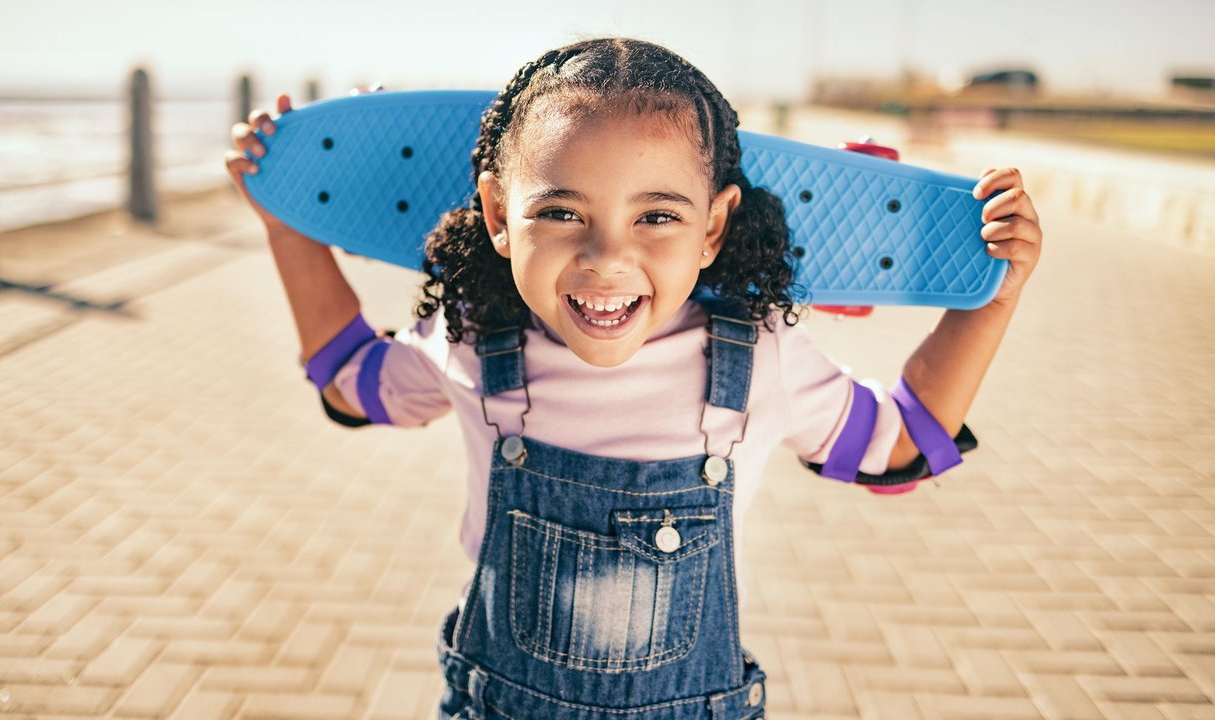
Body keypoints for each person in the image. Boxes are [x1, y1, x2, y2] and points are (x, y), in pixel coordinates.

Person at [225, 37, 1042, 720]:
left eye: (657, 216)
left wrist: (992, 305)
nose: (607, 257)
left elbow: (900, 445)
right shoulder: (474, 336)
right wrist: (288, 223)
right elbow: (353, 384)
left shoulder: (759, 356)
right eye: (560, 212)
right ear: (499, 215)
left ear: (714, 226)